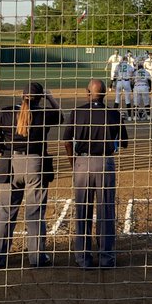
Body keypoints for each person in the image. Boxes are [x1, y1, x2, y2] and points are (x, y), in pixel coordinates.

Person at [0, 82, 63, 268]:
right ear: (39, 98)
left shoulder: (6, 112)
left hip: (10, 164)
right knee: (35, 213)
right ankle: (36, 258)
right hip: (35, 165)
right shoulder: (44, 114)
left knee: (6, 213)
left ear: (22, 96)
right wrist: (50, 98)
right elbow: (60, 115)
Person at [62, 78, 128, 269]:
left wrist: (73, 162)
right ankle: (107, 258)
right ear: (105, 94)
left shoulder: (77, 112)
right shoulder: (113, 114)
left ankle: (83, 258)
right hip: (105, 162)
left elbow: (66, 141)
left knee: (83, 210)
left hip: (82, 163)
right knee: (106, 210)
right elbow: (123, 143)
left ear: (87, 93)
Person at [112, 53, 134, 118]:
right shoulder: (129, 66)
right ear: (126, 60)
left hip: (119, 82)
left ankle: (114, 116)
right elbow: (132, 72)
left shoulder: (118, 65)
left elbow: (115, 74)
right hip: (126, 82)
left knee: (117, 100)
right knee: (128, 100)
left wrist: (113, 82)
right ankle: (129, 117)